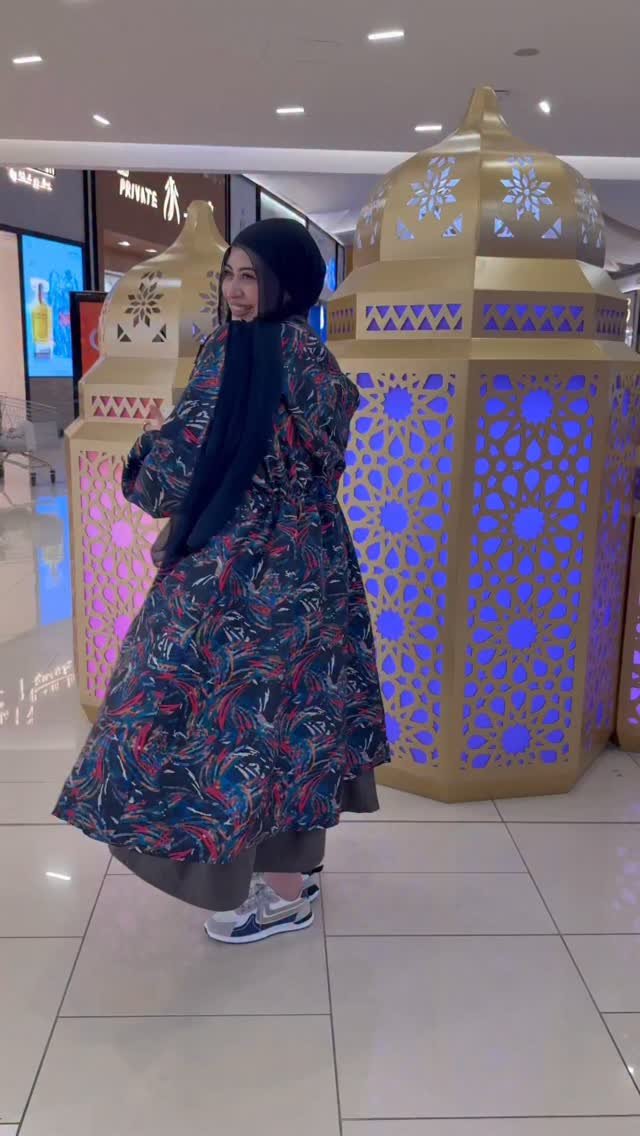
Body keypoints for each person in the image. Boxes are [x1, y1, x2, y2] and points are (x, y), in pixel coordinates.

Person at [54, 219, 390, 945]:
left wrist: (140, 462)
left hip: (243, 565)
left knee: (205, 710)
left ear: (284, 284)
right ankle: (296, 875)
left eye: (250, 277)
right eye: (230, 276)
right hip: (317, 561)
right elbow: (317, 458)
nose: (236, 292)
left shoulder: (238, 349)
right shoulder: (314, 355)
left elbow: (183, 457)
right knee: (299, 713)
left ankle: (276, 895)